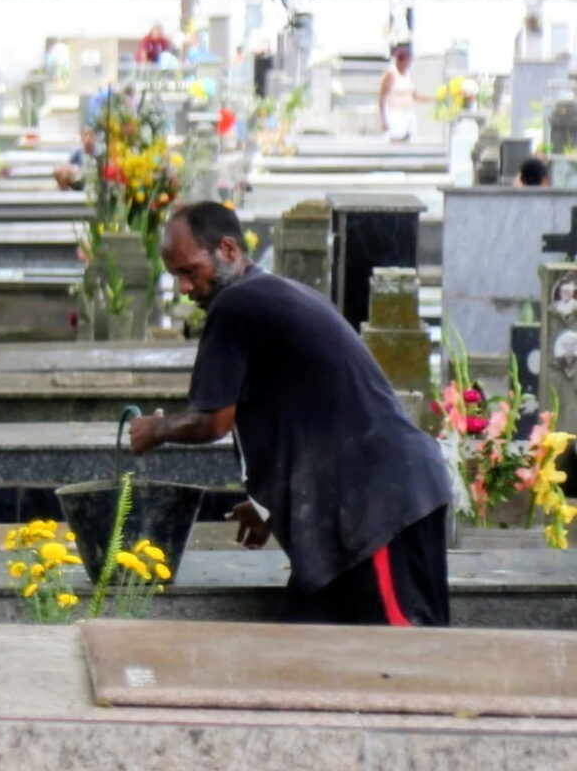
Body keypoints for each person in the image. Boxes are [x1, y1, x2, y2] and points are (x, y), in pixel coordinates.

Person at [129, 201, 452, 625]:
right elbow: (303, 416)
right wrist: (270, 505)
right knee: (304, 648)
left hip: (379, 510)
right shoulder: (269, 295)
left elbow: (213, 421)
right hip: (360, 507)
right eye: (176, 278)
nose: (185, 289)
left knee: (401, 654)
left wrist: (155, 429)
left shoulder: (235, 306)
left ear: (227, 249)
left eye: (190, 271)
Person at [380, 40, 417, 142]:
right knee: (396, 140)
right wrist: (383, 119)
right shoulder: (391, 74)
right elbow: (382, 97)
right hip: (395, 113)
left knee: (409, 140)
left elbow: (414, 95)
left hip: (408, 112)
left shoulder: (407, 74)